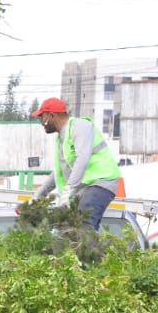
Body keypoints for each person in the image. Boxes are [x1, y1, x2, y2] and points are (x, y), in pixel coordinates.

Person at [30, 97, 123, 230]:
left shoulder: (80, 126)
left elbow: (82, 158)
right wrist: (37, 197)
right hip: (83, 189)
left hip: (100, 182)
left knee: (84, 226)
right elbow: (58, 174)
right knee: (68, 231)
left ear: (51, 115)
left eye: (42, 116)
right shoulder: (60, 139)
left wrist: (68, 190)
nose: (40, 121)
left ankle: (89, 248)